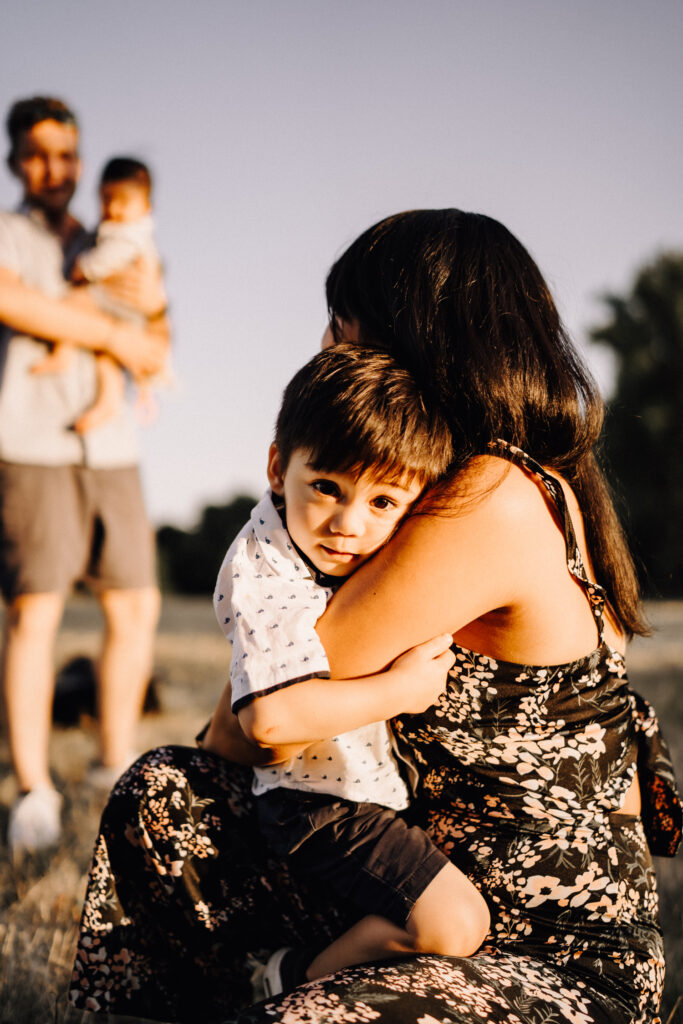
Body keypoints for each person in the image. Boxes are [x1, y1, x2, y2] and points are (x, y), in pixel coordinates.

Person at [67, 210, 681, 1024]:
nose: (325, 349)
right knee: (168, 794)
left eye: (340, 324)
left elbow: (256, 727)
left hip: (541, 957)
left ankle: (275, 986)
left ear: (410, 340)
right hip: (420, 898)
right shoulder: (533, 483)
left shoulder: (488, 498)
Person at [213, 344, 489, 995]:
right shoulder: (262, 564)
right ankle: (290, 979)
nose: (347, 523)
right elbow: (270, 720)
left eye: (383, 502)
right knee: (455, 924)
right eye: (327, 488)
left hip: (366, 792)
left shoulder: (342, 550)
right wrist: (403, 689)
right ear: (278, 467)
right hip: (315, 804)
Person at [0, 96, 168, 855]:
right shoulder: (8, 233)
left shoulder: (111, 237)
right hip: (29, 442)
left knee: (136, 605)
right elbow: (18, 305)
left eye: (65, 154)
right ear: (14, 161)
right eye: (37, 154)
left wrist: (148, 319)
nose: (54, 168)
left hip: (112, 450)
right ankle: (33, 789)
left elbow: (156, 338)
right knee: (34, 614)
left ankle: (110, 768)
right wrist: (113, 334)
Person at [34, 155, 169, 434]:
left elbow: (109, 258)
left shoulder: (130, 233)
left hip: (119, 305)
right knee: (105, 355)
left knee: (71, 302)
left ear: (146, 207)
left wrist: (83, 269)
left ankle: (64, 350)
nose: (114, 208)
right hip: (120, 310)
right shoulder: (111, 231)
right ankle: (110, 399)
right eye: (107, 199)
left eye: (124, 201)